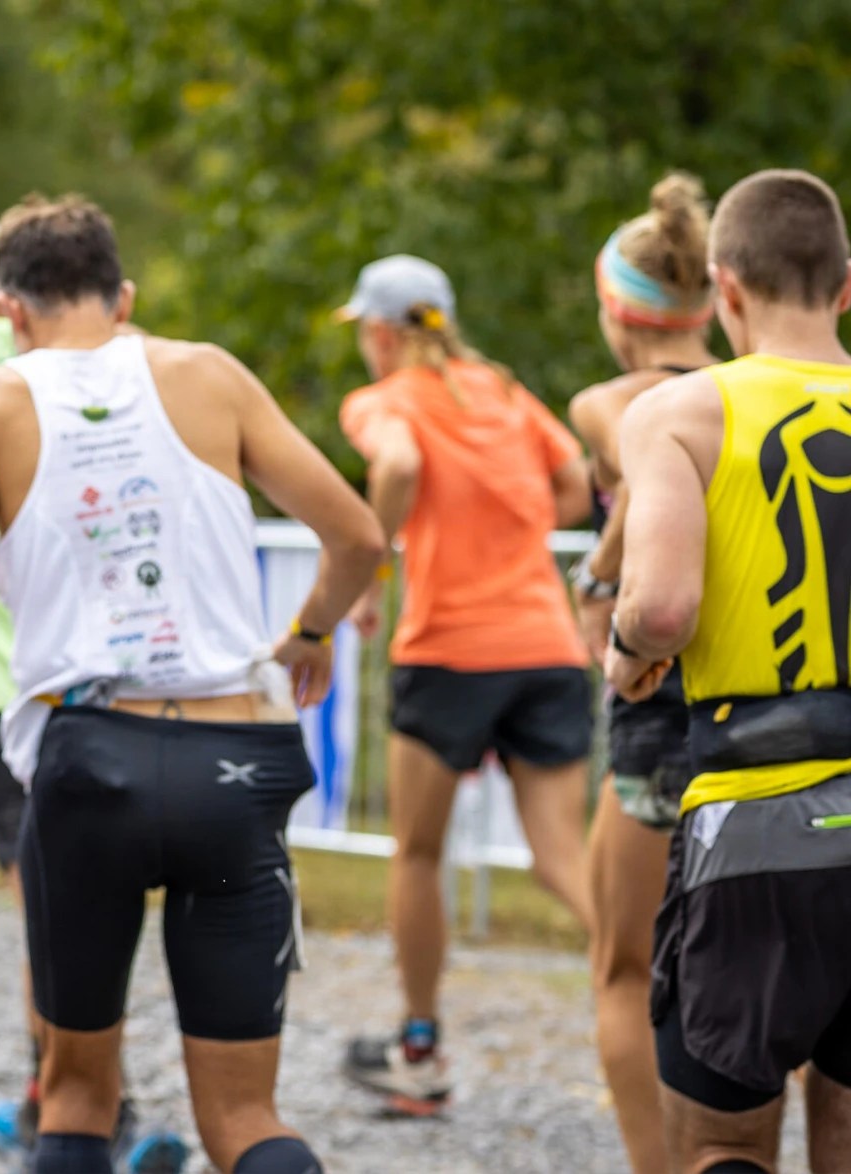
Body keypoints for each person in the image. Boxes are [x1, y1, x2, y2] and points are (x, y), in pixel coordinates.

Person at [0, 194, 384, 1174]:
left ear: (10, 311)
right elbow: (359, 538)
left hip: (88, 758)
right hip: (233, 753)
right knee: (246, 1120)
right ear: (123, 296)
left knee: (77, 1095)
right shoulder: (206, 374)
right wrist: (307, 633)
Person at [608, 167, 851, 1174]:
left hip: (754, 815)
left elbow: (661, 607)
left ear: (722, 290)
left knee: (720, 1141)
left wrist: (625, 652)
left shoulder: (681, 411)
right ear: (844, 287)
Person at [334, 255, 597, 1113]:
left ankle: (420, 1051)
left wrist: (373, 564)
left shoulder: (383, 402)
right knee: (564, 858)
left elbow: (400, 466)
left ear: (379, 333)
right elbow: (573, 486)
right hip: (546, 643)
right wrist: (507, 525)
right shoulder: (506, 392)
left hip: (449, 651)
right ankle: (676, 988)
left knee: (417, 853)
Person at [566, 174, 720, 1174]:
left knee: (623, 967)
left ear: (617, 312)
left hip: (658, 711)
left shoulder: (608, 403)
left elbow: (628, 499)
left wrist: (594, 575)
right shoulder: (748, 395)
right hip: (769, 700)